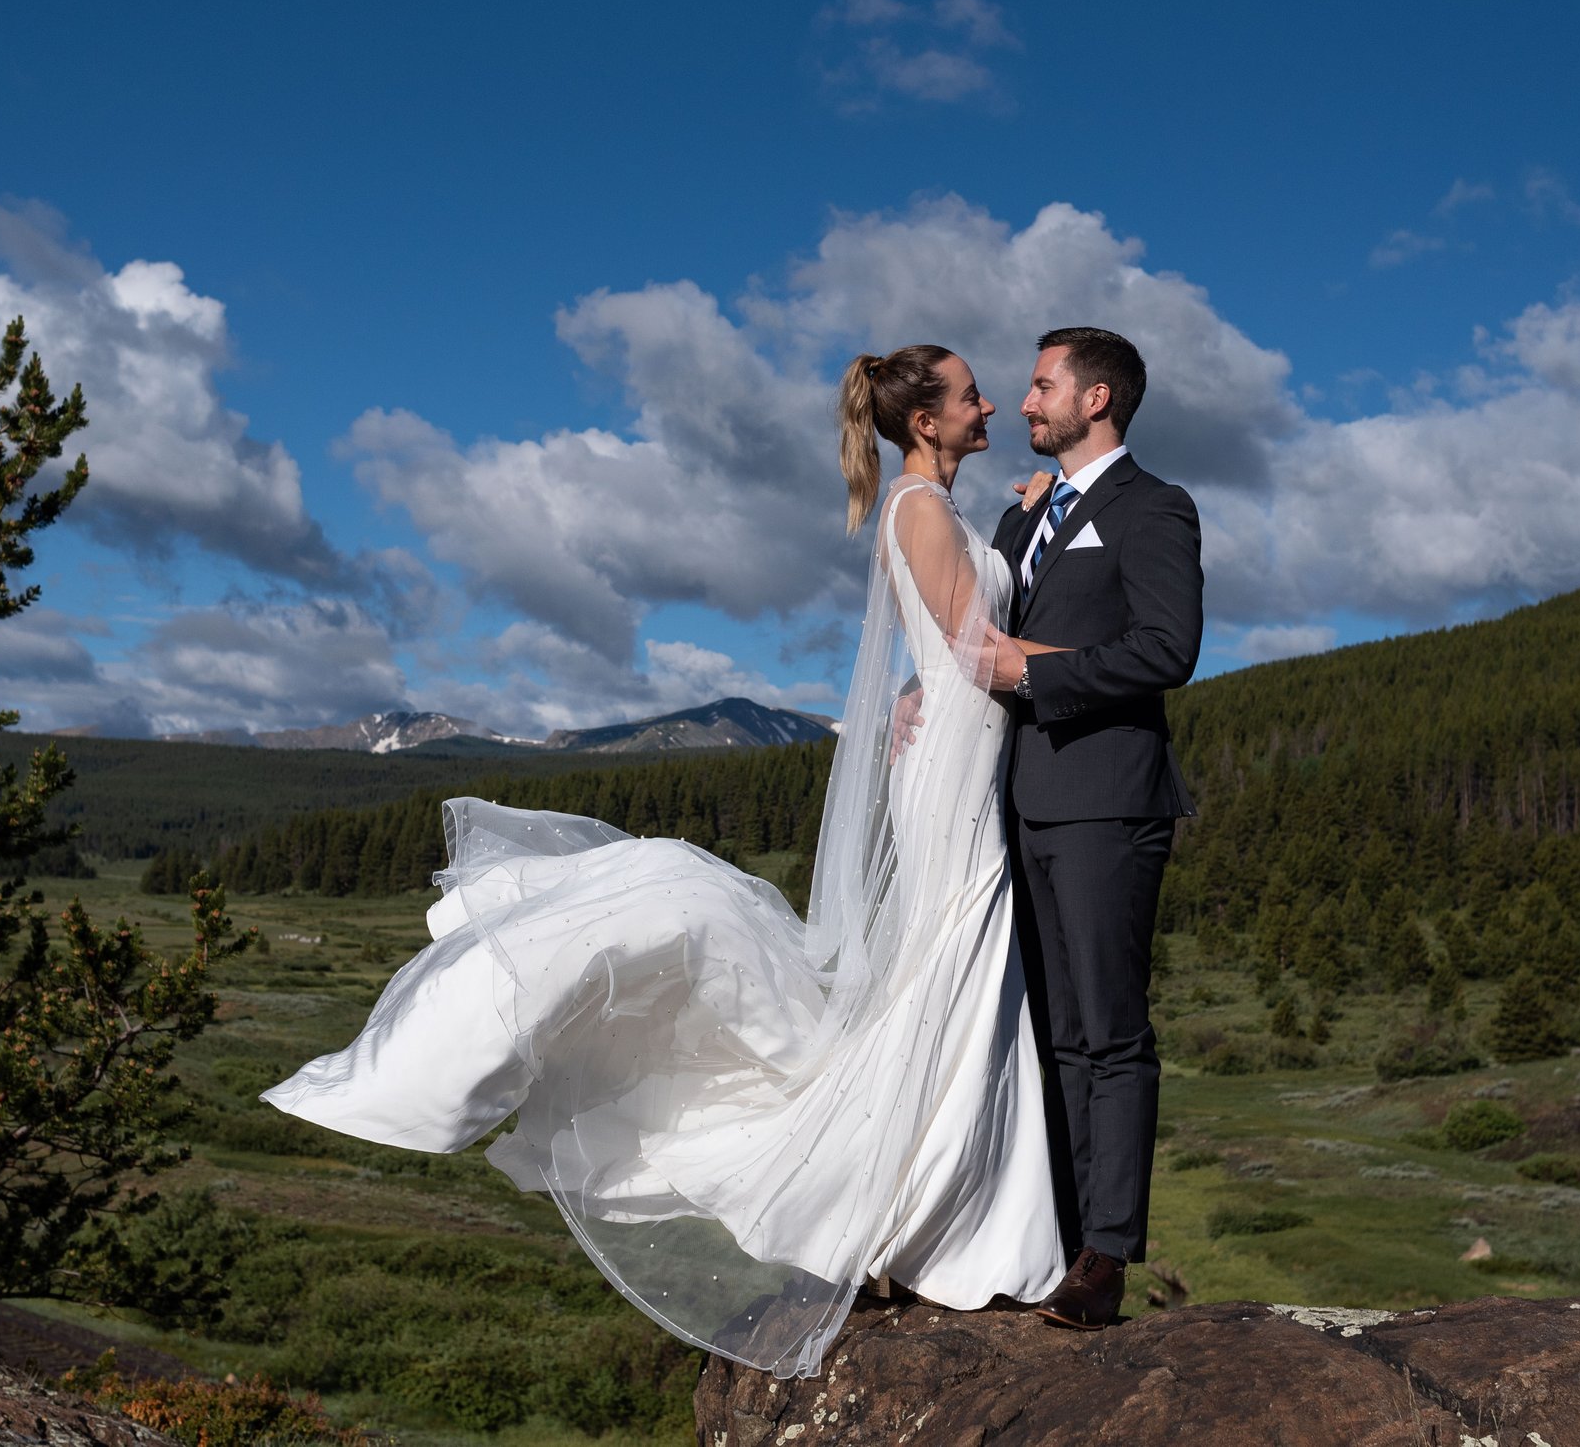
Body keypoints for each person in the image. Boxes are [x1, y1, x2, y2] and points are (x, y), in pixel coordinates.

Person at [263, 344, 1065, 1379]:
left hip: (957, 752)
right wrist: (1112, 665)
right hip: (956, 769)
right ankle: (926, 1220)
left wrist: (1024, 523)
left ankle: (937, 1216)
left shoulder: (935, 506)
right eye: (969, 394)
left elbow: (950, 640)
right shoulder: (917, 507)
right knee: (955, 965)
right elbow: (972, 648)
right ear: (923, 421)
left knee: (952, 975)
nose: (990, 400)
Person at [985, 327, 1203, 1330]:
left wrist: (1033, 671)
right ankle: (1051, 1235)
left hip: (1109, 801)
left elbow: (1166, 647)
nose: (1025, 403)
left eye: (1040, 385)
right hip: (1019, 802)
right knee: (1050, 1036)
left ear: (1097, 397)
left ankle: (1104, 1258)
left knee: (1109, 1036)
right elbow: (975, 629)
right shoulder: (1023, 515)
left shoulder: (1155, 508)